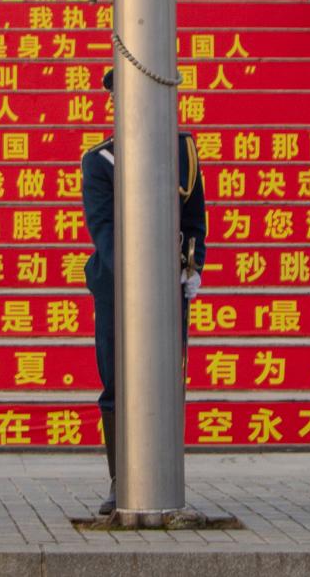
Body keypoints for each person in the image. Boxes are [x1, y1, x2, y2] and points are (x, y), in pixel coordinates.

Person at [79, 67, 207, 515]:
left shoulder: (182, 152)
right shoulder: (100, 160)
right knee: (118, 380)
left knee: (168, 379)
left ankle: (164, 477)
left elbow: (193, 221)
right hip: (118, 285)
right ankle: (121, 480)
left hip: (170, 283)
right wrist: (138, 279)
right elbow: (104, 230)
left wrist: (193, 267)